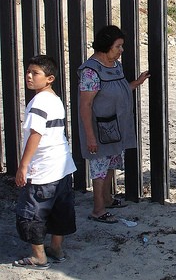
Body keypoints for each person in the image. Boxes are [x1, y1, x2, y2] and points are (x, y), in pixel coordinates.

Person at [78, 25, 150, 224]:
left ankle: (108, 200)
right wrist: (90, 136)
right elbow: (86, 105)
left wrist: (137, 83)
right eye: (118, 46)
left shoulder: (115, 65)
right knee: (99, 168)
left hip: (116, 127)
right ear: (105, 46)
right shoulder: (91, 71)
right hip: (100, 130)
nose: (121, 50)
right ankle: (98, 210)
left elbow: (120, 88)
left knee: (111, 164)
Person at [13, 55, 77, 270]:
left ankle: (39, 257)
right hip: (62, 167)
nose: (29, 76)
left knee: (32, 213)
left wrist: (23, 166)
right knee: (60, 210)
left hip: (43, 169)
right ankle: (56, 249)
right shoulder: (54, 99)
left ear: (49, 78)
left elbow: (35, 134)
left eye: (35, 73)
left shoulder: (39, 101)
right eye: (28, 71)